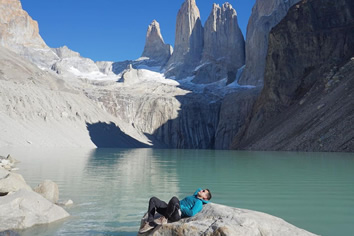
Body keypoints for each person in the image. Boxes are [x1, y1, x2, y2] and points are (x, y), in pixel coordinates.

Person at [139, 188, 212, 234]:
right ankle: (150, 222)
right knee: (153, 199)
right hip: (171, 209)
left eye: (203, 191)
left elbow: (191, 213)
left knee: (174, 199)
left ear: (205, 197)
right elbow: (198, 189)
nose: (201, 190)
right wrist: (201, 193)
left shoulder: (198, 203)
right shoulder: (194, 196)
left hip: (177, 214)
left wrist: (180, 207)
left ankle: (164, 218)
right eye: (202, 190)